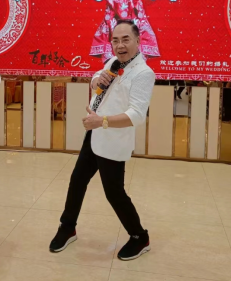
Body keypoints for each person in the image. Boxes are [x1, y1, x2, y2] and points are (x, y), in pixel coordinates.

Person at [49, 20, 156, 261]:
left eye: (126, 39)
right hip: (95, 135)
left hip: (113, 140)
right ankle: (68, 227)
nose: (120, 45)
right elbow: (98, 76)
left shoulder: (143, 73)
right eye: (115, 40)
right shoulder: (114, 62)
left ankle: (140, 237)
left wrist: (102, 121)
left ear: (138, 41)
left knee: (114, 193)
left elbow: (137, 115)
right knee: (77, 181)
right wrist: (96, 80)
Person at [90, 0, 160, 63]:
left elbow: (145, 44)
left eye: (127, 0)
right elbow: (103, 44)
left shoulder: (139, 21)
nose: (123, 5)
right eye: (119, 0)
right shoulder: (109, 21)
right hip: (114, 63)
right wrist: (112, 61)